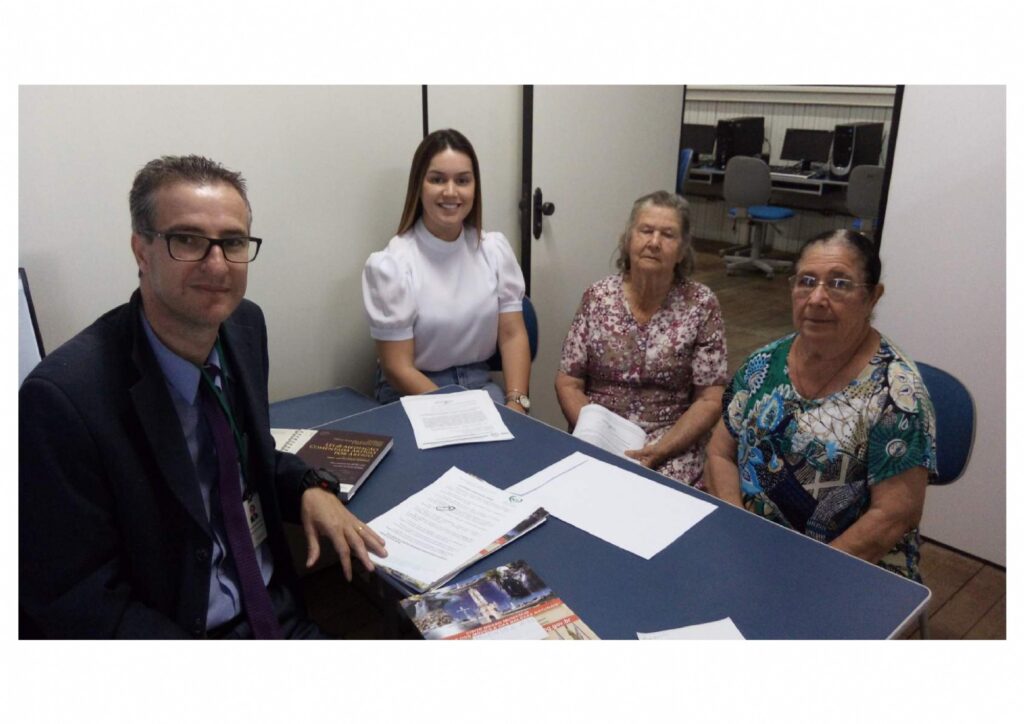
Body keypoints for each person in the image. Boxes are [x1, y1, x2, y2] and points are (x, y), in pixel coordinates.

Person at [19, 155, 386, 639]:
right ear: (141, 251)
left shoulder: (244, 326)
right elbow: (77, 599)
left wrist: (308, 487)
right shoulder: (64, 401)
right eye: (188, 240)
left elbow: (245, 456)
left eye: (232, 242)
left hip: (277, 614)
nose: (216, 265)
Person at [704, 229, 936, 580]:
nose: (816, 298)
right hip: (747, 546)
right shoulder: (763, 363)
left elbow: (893, 516)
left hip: (844, 566)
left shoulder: (898, 396)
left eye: (839, 283)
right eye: (806, 281)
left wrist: (802, 574)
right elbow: (720, 452)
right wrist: (736, 524)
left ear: (872, 297)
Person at [555, 191, 727, 487]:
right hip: (599, 436)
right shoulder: (597, 297)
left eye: (668, 235)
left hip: (671, 445)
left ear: (682, 251)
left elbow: (710, 398)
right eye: (646, 230)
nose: (654, 242)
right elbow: (568, 381)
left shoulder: (701, 304)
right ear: (628, 239)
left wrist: (660, 449)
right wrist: (593, 433)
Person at [362, 129, 532, 412]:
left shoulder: (493, 250)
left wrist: (517, 401)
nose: (451, 192)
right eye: (437, 179)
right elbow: (397, 368)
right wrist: (459, 410)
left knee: (515, 438)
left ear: (475, 187)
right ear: (419, 185)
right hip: (413, 392)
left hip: (479, 385)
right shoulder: (393, 264)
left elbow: (512, 334)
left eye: (462, 180)